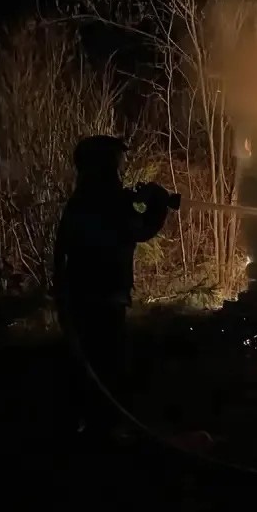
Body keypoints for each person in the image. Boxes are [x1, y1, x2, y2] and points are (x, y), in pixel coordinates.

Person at [53, 135, 176, 436]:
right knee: (109, 368)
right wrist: (158, 205)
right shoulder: (107, 201)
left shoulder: (82, 201)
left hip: (81, 299)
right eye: (118, 166)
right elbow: (139, 227)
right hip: (103, 300)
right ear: (105, 166)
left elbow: (62, 253)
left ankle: (87, 427)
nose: (121, 173)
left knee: (88, 369)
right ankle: (103, 434)